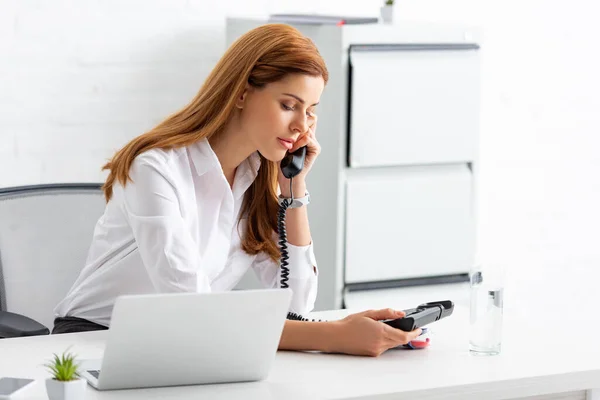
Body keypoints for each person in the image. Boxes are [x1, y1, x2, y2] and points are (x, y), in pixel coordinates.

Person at [52, 23, 422, 357]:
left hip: (183, 345)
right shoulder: (155, 170)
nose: (301, 127)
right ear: (242, 94)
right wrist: (334, 336)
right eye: (288, 105)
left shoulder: (257, 178)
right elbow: (193, 310)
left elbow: (295, 304)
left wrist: (294, 189)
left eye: (310, 111)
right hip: (94, 342)